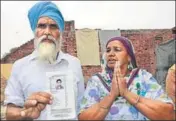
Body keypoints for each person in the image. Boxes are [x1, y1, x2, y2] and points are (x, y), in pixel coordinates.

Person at [4, 1, 85, 120]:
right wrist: (24, 113)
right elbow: (9, 113)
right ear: (34, 31)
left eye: (53, 26)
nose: (47, 32)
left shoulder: (74, 63)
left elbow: (81, 107)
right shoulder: (20, 66)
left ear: (60, 32)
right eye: (42, 26)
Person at [78, 36, 174, 120]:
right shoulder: (97, 81)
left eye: (117, 49)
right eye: (108, 50)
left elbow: (168, 114)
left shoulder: (143, 77)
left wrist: (126, 93)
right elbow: (84, 118)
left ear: (129, 57)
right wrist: (112, 95)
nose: (111, 54)